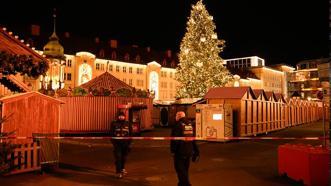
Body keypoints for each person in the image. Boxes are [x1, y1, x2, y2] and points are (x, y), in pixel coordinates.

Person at [171, 111, 199, 186]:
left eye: (176, 116)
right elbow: (193, 139)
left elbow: (175, 140)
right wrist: (196, 151)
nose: (175, 117)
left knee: (180, 170)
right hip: (189, 151)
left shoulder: (178, 125)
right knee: (185, 170)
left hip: (180, 152)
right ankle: (181, 184)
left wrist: (173, 150)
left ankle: (186, 184)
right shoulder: (190, 124)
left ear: (178, 116)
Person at [110, 112, 133, 178]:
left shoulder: (128, 123)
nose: (121, 117)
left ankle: (122, 169)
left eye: (122, 116)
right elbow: (111, 134)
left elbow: (131, 134)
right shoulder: (114, 123)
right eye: (119, 116)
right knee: (118, 158)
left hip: (126, 144)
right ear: (117, 117)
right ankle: (118, 172)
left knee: (124, 158)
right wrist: (114, 143)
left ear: (124, 117)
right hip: (117, 144)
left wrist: (129, 143)